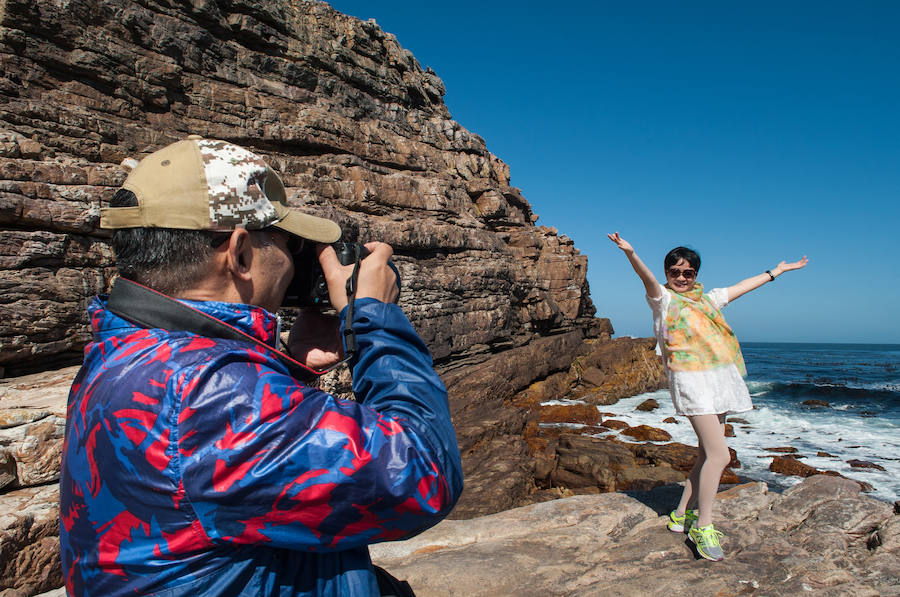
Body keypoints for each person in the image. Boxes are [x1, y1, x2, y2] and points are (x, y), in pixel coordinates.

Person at [59, 136, 463, 596]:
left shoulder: (122, 348)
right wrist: (375, 320)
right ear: (241, 253)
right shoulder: (210, 392)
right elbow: (423, 472)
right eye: (287, 243)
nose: (294, 262)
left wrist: (286, 366)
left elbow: (221, 481)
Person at [607, 232, 807, 562]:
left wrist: (776, 271)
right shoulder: (664, 300)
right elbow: (647, 279)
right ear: (668, 273)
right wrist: (631, 253)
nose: (682, 278)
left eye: (688, 273)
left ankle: (681, 514)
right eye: (675, 272)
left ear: (696, 275)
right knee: (721, 455)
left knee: (705, 455)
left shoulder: (707, 299)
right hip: (691, 382)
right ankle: (703, 524)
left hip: (720, 380)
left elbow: (742, 286)